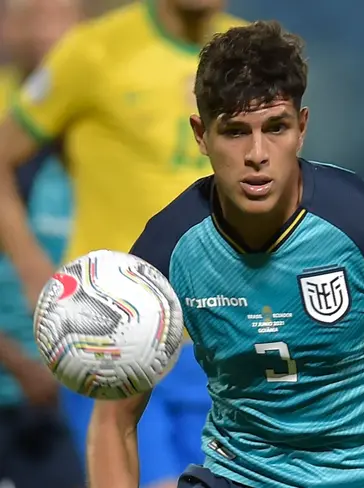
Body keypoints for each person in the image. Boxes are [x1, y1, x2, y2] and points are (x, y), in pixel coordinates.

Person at [88, 21, 364, 488]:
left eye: (275, 128)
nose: (257, 154)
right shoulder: (167, 249)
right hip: (241, 475)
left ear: (301, 129)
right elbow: (114, 417)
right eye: (235, 131)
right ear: (201, 135)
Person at [0, 1, 245, 487]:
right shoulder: (93, 52)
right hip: (115, 336)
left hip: (222, 336)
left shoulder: (250, 52)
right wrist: (31, 266)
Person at [0, 0, 82, 487]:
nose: (46, 33)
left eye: (60, 16)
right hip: (17, 384)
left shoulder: (100, 133)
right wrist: (17, 360)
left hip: (80, 386)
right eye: (34, 15)